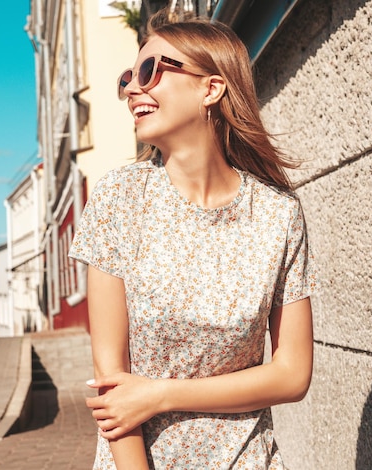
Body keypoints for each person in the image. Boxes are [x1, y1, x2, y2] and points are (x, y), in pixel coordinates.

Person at [69, 9, 318, 470]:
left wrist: (161, 394)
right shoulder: (120, 199)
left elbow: (292, 374)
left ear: (211, 88)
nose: (131, 89)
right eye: (129, 76)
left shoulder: (279, 216)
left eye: (150, 71)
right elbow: (112, 380)